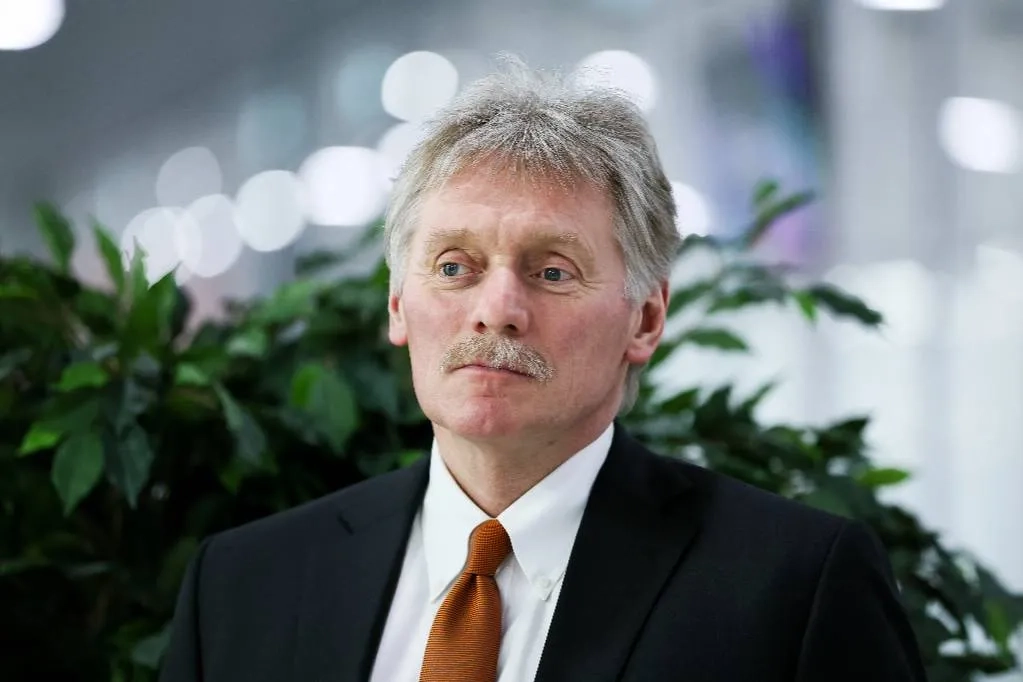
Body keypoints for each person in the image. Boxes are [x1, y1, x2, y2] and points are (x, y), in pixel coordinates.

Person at [160, 58, 927, 682]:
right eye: (454, 267)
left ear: (644, 318)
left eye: (552, 271)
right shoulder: (243, 586)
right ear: (397, 304)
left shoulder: (792, 588)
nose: (496, 310)